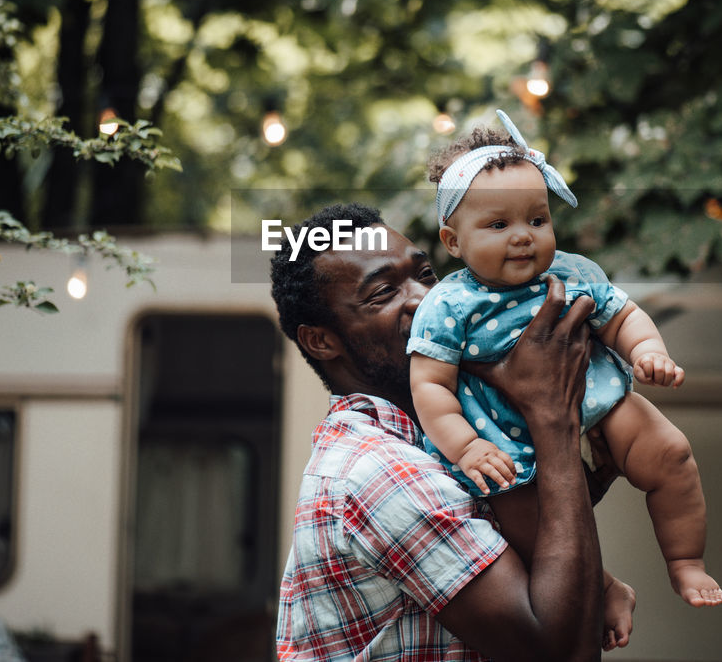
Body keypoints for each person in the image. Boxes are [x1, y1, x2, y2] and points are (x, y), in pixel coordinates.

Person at [270, 202, 635, 662]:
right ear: (321, 340)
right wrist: (552, 417)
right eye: (383, 293)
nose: (423, 298)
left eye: (424, 274)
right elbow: (561, 651)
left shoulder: (447, 437)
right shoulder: (379, 470)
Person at [407, 110, 722, 608]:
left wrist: (647, 352)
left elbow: (622, 316)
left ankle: (685, 561)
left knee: (671, 453)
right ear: (453, 241)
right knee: (526, 528)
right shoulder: (448, 305)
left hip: (597, 400)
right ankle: (603, 587)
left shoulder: (572, 272)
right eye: (498, 224)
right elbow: (430, 386)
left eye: (538, 219)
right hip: (502, 435)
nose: (522, 235)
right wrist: (466, 447)